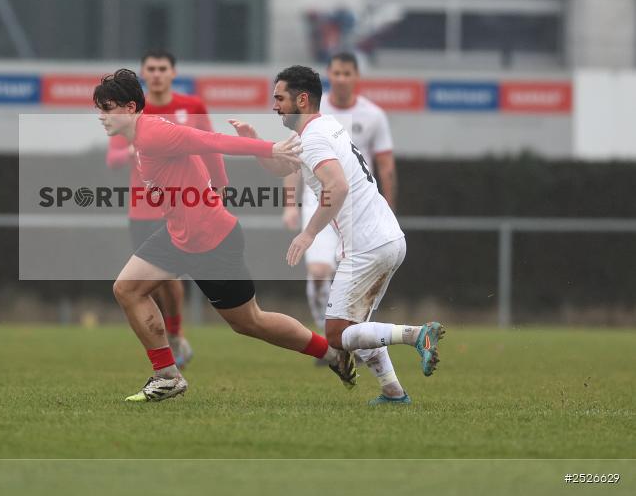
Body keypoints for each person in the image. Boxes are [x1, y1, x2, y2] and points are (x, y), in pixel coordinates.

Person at [95, 68, 351, 403]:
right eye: (99, 108)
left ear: (130, 108)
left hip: (211, 241)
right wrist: (218, 187)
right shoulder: (144, 137)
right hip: (178, 235)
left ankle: (331, 353)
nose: (101, 116)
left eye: (108, 107)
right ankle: (167, 376)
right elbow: (204, 149)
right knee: (127, 289)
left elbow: (212, 141)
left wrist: (269, 149)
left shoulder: (151, 134)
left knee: (250, 322)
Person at [233, 65, 443, 406]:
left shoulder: (313, 137)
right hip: (386, 238)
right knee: (359, 326)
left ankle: (417, 335)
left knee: (337, 334)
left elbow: (338, 186)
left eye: (279, 98)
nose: (275, 106)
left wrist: (308, 234)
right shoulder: (323, 126)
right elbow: (284, 167)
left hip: (366, 246)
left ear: (301, 99)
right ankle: (394, 393)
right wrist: (253, 143)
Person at [106, 50, 222, 369]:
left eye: (162, 68)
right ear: (143, 74)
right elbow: (113, 158)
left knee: (168, 276)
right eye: (151, 69)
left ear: (173, 72)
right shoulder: (131, 112)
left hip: (183, 206)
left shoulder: (192, 107)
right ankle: (170, 340)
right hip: (142, 208)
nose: (156, 74)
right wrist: (132, 148)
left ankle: (175, 334)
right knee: (151, 283)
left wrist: (216, 191)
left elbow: (210, 145)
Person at [282, 52, 397, 331]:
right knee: (319, 273)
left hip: (358, 203)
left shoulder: (373, 115)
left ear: (357, 77)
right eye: (337, 73)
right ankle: (329, 335)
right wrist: (289, 205)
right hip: (318, 200)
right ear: (329, 76)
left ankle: (343, 336)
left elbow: (386, 166)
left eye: (348, 73)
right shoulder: (312, 117)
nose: (342, 78)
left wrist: (389, 208)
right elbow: (291, 162)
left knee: (357, 299)